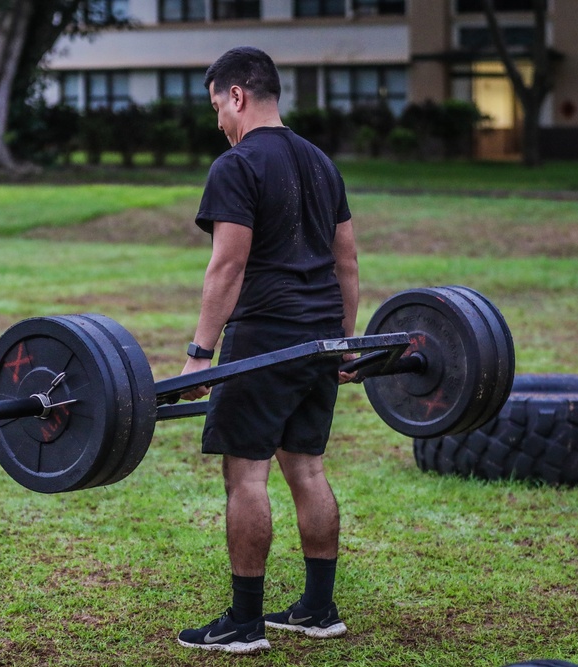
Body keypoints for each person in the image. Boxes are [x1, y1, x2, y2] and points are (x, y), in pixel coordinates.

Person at [175, 46, 359, 653]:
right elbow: (346, 261)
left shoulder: (238, 164)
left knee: (245, 475)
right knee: (306, 467)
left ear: (237, 95)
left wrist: (201, 352)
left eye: (216, 107)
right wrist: (344, 342)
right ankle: (317, 607)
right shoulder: (320, 161)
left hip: (265, 338)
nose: (218, 123)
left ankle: (245, 622)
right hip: (320, 336)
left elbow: (226, 265)